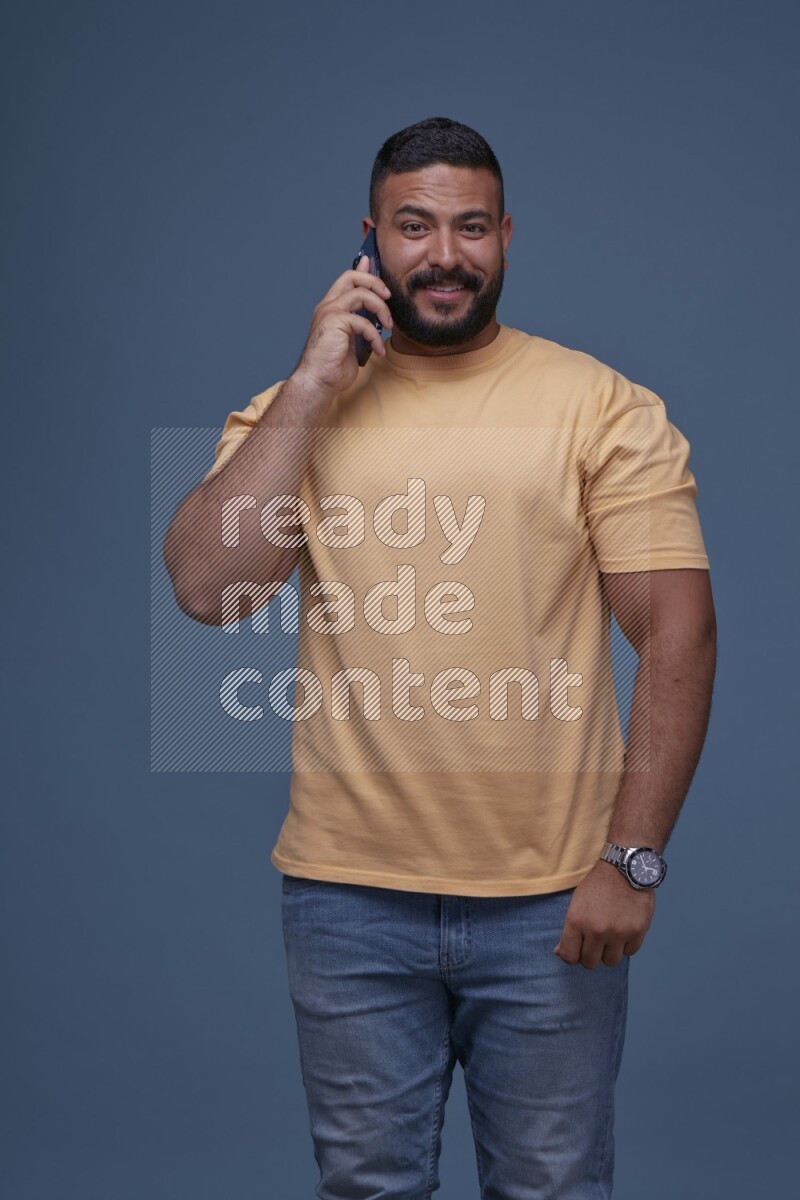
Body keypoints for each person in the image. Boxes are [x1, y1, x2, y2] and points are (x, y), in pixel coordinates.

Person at [163, 116, 717, 1199]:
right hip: (346, 899)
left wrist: (631, 858)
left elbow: (676, 633)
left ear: (506, 236)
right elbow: (205, 590)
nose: (445, 254)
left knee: (552, 1190)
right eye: (414, 226)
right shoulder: (293, 413)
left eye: (471, 226)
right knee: (366, 1189)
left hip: (552, 899)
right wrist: (311, 386)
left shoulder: (598, 406)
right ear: (369, 239)